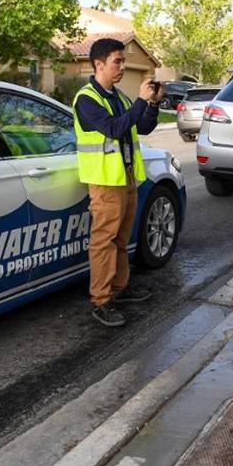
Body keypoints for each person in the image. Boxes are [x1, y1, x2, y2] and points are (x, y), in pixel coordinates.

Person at [73, 38, 161, 327]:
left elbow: (143, 126)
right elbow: (113, 129)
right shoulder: (86, 99)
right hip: (105, 182)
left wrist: (152, 104)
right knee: (104, 242)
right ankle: (101, 300)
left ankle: (119, 288)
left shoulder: (119, 97)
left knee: (122, 239)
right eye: (117, 62)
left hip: (125, 179)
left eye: (123, 61)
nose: (122, 67)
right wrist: (138, 101)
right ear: (99, 64)